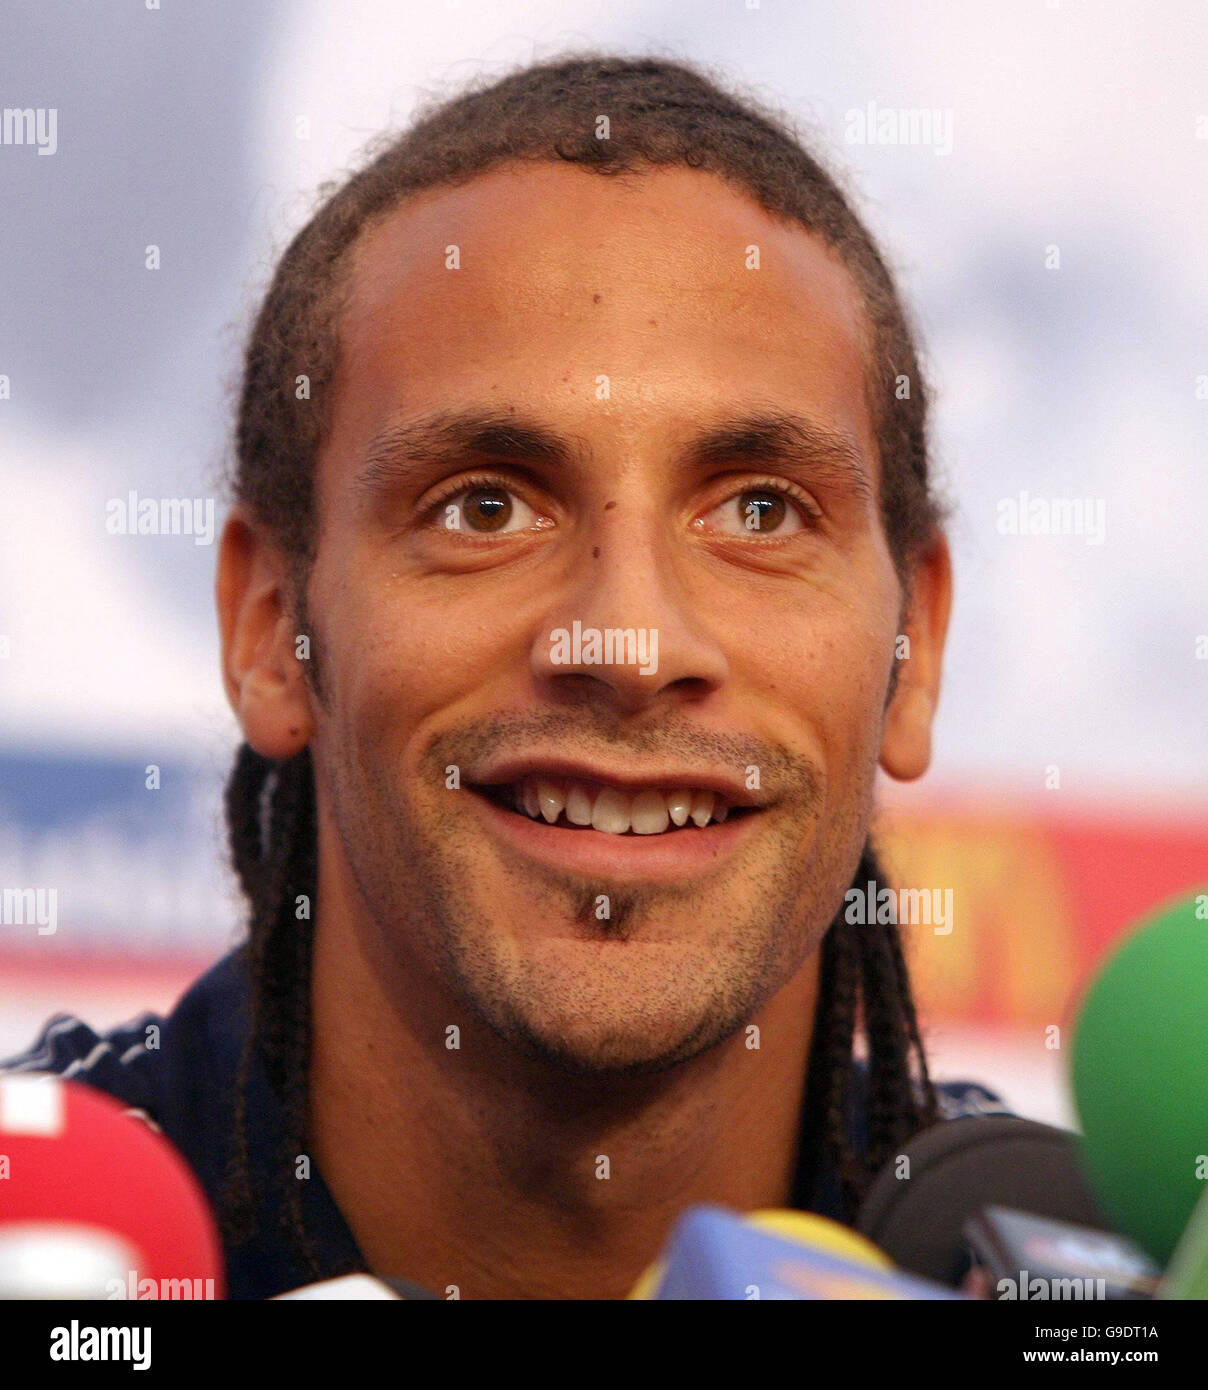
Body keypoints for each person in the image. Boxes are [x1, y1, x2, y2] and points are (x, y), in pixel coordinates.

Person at [2, 53, 1005, 1300]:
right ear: (271, 628)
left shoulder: (1090, 1285)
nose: (629, 645)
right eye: (484, 506)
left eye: (757, 508)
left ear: (913, 650)